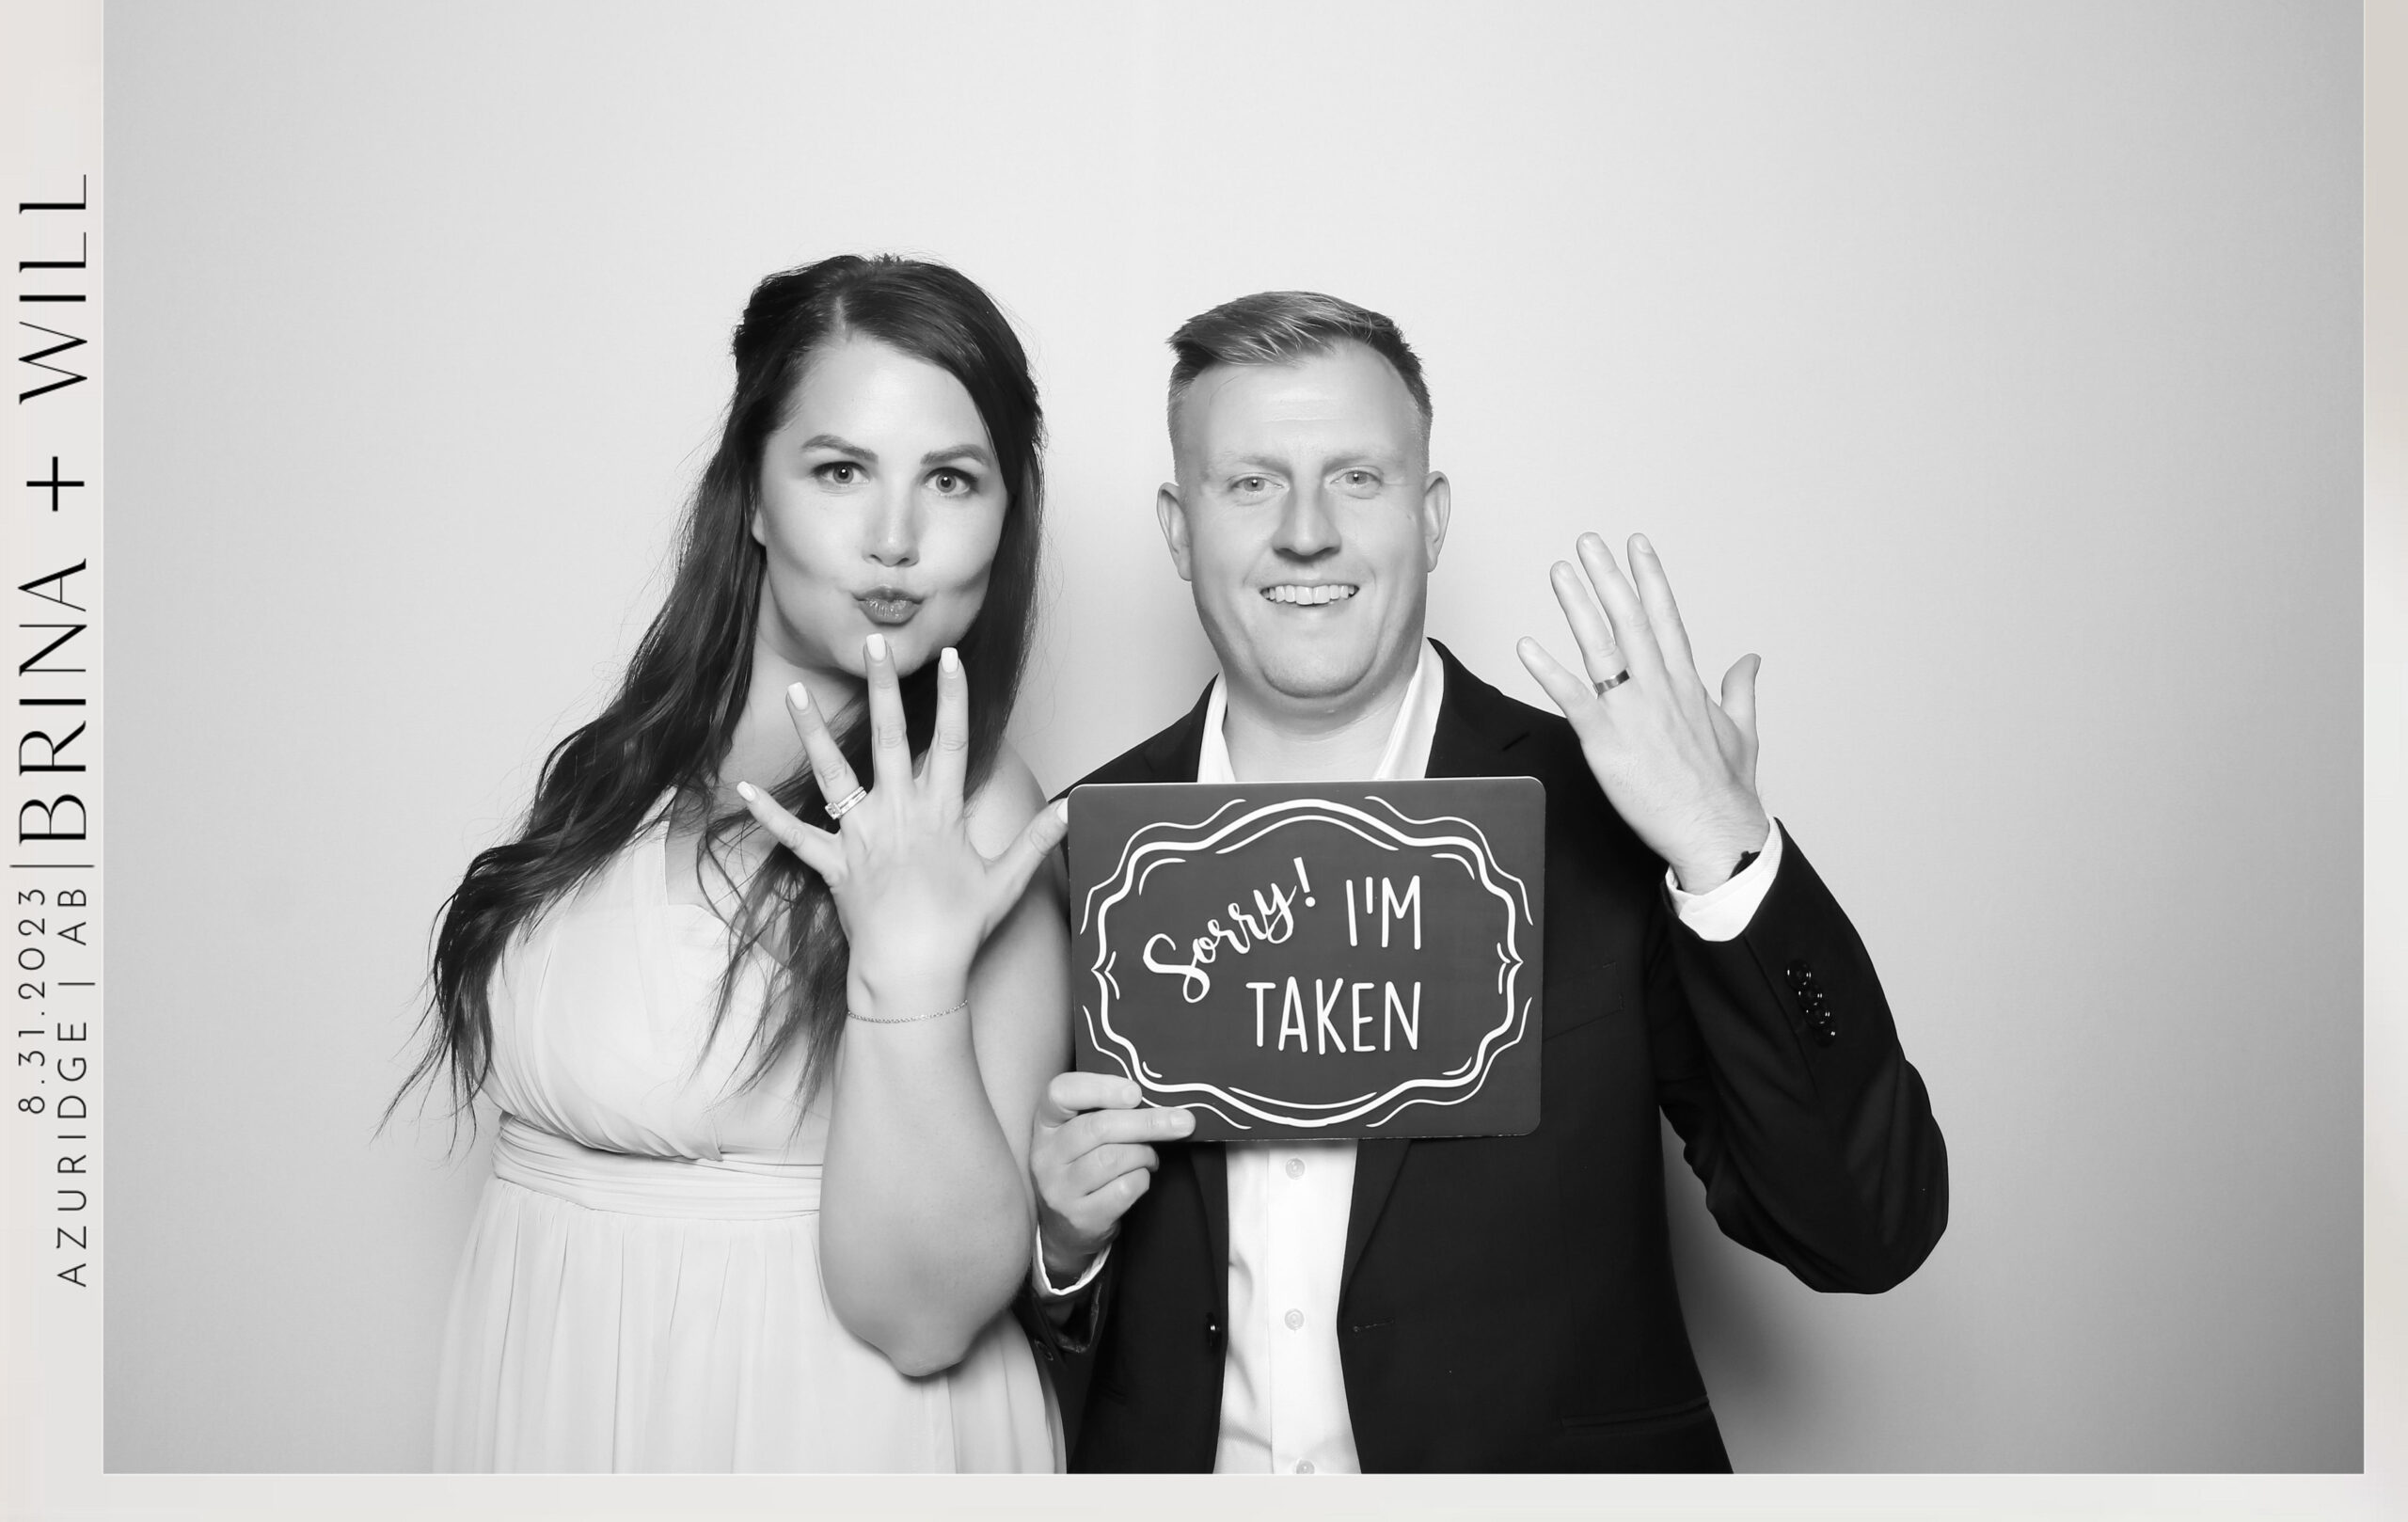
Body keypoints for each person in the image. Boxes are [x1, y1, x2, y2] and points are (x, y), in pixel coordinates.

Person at [1025, 291, 1948, 1473]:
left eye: (1357, 477)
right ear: (1176, 527)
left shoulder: (1608, 813)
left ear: (1431, 513)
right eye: (1249, 482)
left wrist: (1724, 849)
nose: (1306, 530)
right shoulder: (1077, 842)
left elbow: (1867, 1229)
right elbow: (1006, 1342)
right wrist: (1061, 1245)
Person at [405, 254, 1071, 1471]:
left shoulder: (970, 811)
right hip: (561, 1389)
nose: (895, 538)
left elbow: (927, 1314)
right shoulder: (621, 761)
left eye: (953, 480)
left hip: (822, 1425)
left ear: (1005, 514)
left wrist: (905, 971)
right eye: (839, 469)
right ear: (754, 494)